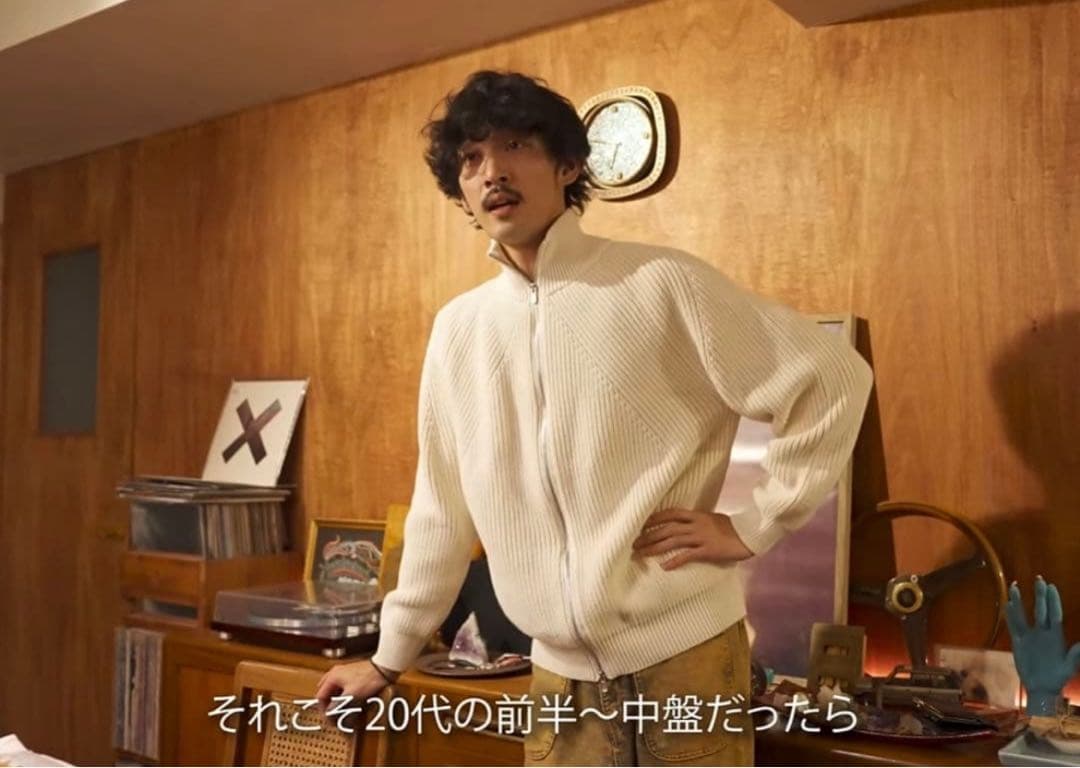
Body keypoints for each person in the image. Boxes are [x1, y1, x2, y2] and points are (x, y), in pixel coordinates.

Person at [316, 70, 873, 766]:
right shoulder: (459, 330)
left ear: (568, 164)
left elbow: (831, 377)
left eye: (515, 145)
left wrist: (755, 524)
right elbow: (441, 508)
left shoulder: (660, 282)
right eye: (471, 158)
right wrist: (389, 656)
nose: (492, 172)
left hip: (688, 656)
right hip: (555, 675)